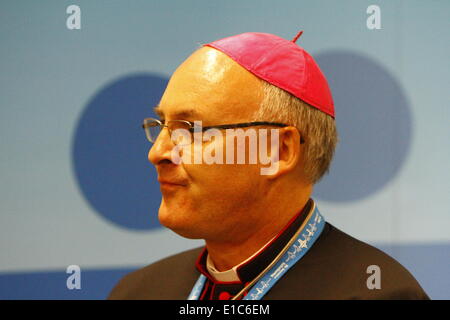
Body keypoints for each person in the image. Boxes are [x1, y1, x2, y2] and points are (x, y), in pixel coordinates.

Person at [108, 32, 429, 300]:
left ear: (279, 150)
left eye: (191, 130)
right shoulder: (138, 292)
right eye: (161, 125)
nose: (159, 153)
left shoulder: (376, 293)